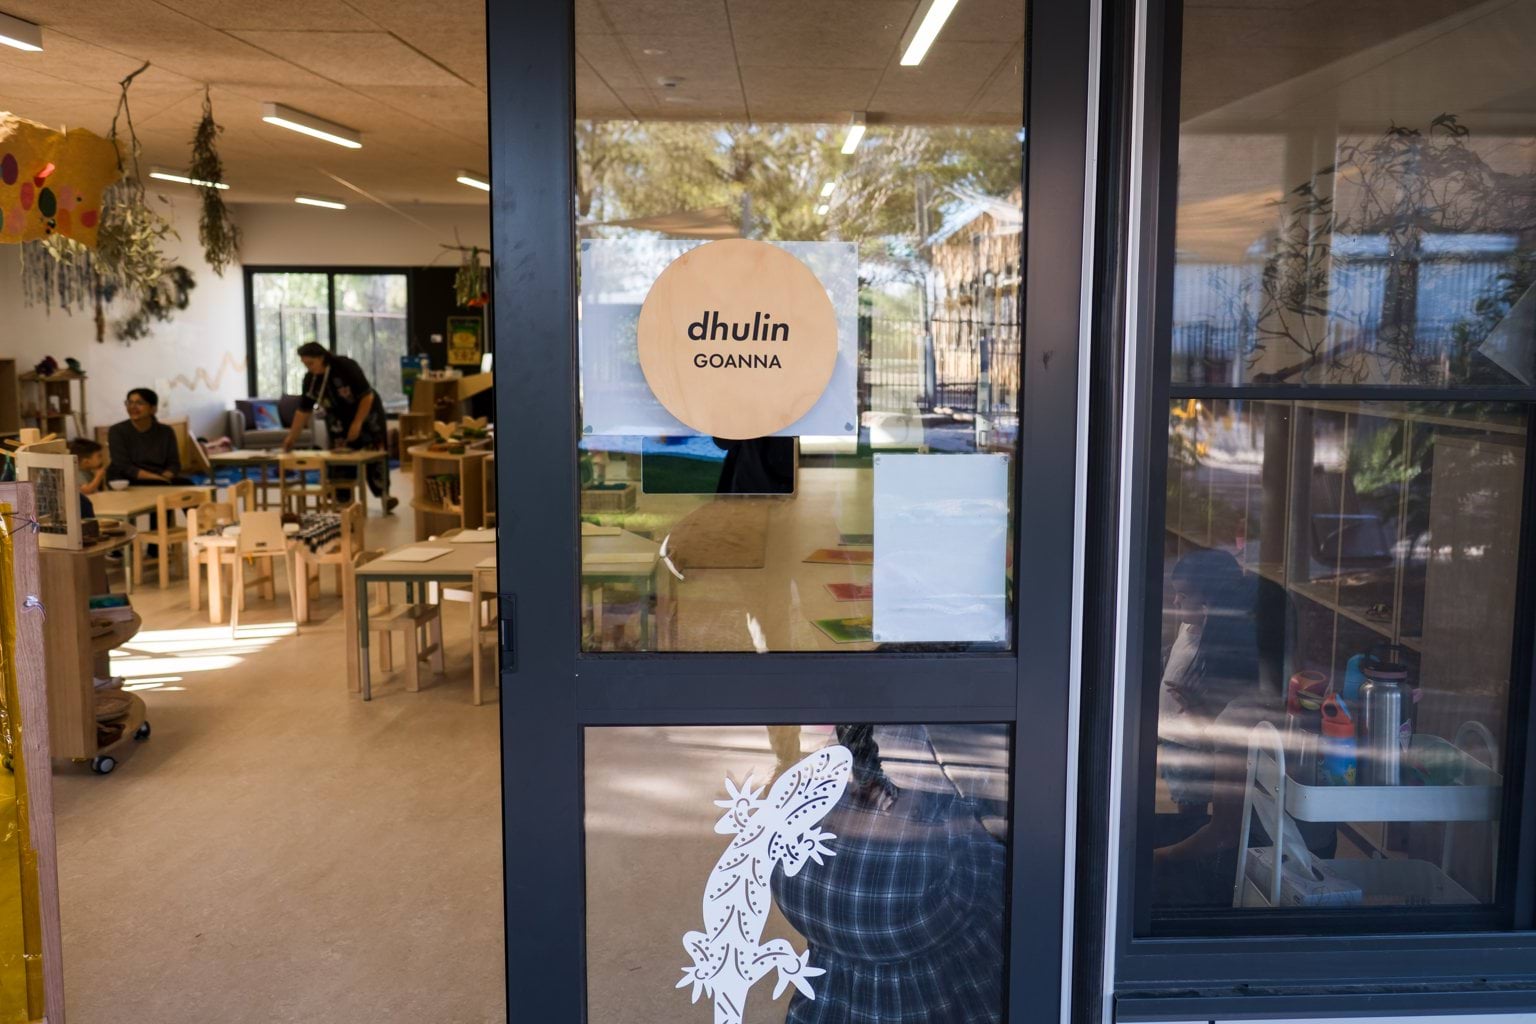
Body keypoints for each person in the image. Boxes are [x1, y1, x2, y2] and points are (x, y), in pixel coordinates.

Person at [282, 342, 397, 512]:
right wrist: (291, 438)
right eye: (305, 364)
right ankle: (342, 499)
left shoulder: (345, 366)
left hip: (366, 413)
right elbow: (302, 411)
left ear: (321, 358)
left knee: (375, 454)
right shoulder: (311, 380)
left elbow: (367, 395)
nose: (308, 368)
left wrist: (357, 423)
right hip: (337, 421)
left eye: (311, 363)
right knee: (339, 457)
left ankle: (384, 495)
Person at [107, 388, 186, 485]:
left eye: (139, 403)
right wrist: (156, 479)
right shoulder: (117, 431)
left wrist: (165, 477)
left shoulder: (166, 431)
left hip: (159, 478)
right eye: (130, 403)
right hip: (127, 480)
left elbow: (174, 464)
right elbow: (123, 466)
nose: (133, 407)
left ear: (153, 409)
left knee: (187, 485)